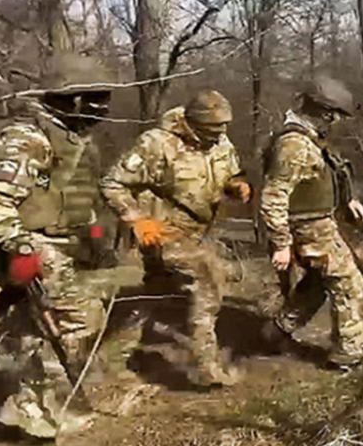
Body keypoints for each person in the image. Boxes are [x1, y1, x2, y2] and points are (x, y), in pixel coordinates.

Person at [0, 53, 115, 439]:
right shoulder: (28, 138)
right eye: (96, 98)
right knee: (76, 323)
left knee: (42, 328)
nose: (104, 108)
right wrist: (21, 250)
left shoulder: (74, 140)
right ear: (72, 99)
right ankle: (42, 420)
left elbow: (76, 199)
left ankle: (27, 408)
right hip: (31, 244)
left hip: (62, 242)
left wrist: (96, 237)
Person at [100, 90, 252, 387]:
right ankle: (206, 370)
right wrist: (136, 219)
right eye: (211, 129)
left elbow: (230, 172)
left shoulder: (221, 142)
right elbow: (112, 183)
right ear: (191, 123)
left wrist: (237, 186)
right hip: (162, 229)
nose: (218, 134)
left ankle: (121, 353)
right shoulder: (157, 144)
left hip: (197, 229)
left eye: (222, 128)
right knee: (208, 282)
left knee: (160, 291)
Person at [259, 75, 363, 371]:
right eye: (333, 116)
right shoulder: (293, 144)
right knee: (348, 285)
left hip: (317, 224)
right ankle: (348, 354)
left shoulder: (309, 140)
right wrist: (281, 245)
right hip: (308, 229)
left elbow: (324, 176)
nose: (334, 122)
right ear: (323, 111)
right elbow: (274, 196)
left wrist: (347, 201)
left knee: (318, 284)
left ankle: (276, 331)